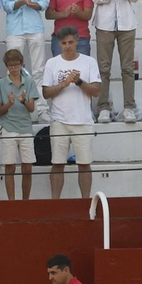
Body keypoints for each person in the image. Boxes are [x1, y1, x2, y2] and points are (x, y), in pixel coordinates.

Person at [87, 0, 142, 123]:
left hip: (126, 22)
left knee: (127, 67)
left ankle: (129, 107)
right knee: (104, 68)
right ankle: (103, 107)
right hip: (104, 23)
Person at [42, 26, 100, 199]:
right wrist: (64, 84)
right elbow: (46, 93)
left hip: (83, 120)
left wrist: (79, 82)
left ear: (77, 41)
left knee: (84, 164)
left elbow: (96, 91)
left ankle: (86, 202)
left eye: (71, 42)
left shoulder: (89, 62)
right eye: (64, 43)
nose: (67, 46)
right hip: (59, 120)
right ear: (59, 43)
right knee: (57, 164)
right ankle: (55, 203)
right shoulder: (52, 63)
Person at [0, 48, 41, 201]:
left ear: (21, 64)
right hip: (8, 127)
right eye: (10, 65)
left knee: (27, 167)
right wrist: (9, 104)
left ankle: (25, 201)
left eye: (16, 65)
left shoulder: (29, 82)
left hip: (25, 127)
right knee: (10, 166)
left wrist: (23, 101)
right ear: (6, 66)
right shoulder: (0, 83)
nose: (13, 68)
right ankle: (11, 202)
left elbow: (32, 108)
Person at [1, 0, 49, 90]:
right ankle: (14, 106)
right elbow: (6, 5)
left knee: (38, 70)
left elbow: (45, 1)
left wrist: (37, 5)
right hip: (15, 29)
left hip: (35, 26)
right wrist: (21, 2)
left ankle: (40, 109)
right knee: (13, 70)